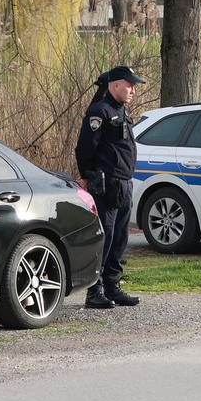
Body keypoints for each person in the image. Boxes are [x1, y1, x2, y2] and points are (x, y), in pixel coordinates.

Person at [75, 64, 148, 309]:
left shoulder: (121, 110)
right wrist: (87, 176)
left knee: (119, 238)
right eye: (129, 86)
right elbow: (85, 147)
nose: (133, 91)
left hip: (124, 183)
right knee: (104, 238)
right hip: (106, 184)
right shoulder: (100, 111)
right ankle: (94, 291)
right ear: (115, 85)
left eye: (134, 87)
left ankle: (112, 286)